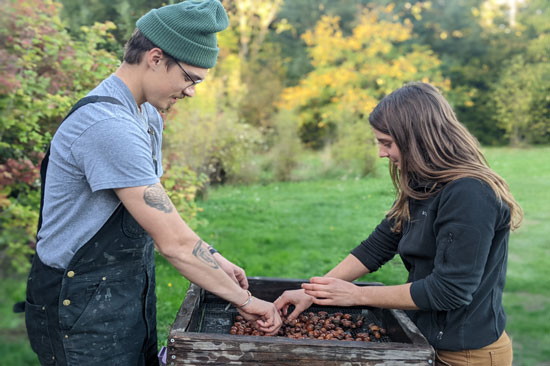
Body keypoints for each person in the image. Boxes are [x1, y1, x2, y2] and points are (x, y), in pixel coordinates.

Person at [24, 1, 281, 365]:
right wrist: (247, 302)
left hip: (122, 294)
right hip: (78, 308)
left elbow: (157, 213)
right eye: (190, 78)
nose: (191, 92)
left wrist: (213, 257)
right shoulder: (109, 127)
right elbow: (173, 243)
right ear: (156, 58)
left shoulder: (146, 115)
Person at [274, 82, 522, 366]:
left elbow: (450, 289)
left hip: (466, 355)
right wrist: (312, 293)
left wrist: (356, 295)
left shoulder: (470, 194)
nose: (381, 153)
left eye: (387, 143)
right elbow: (378, 245)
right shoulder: (424, 183)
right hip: (424, 341)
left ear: (417, 138)